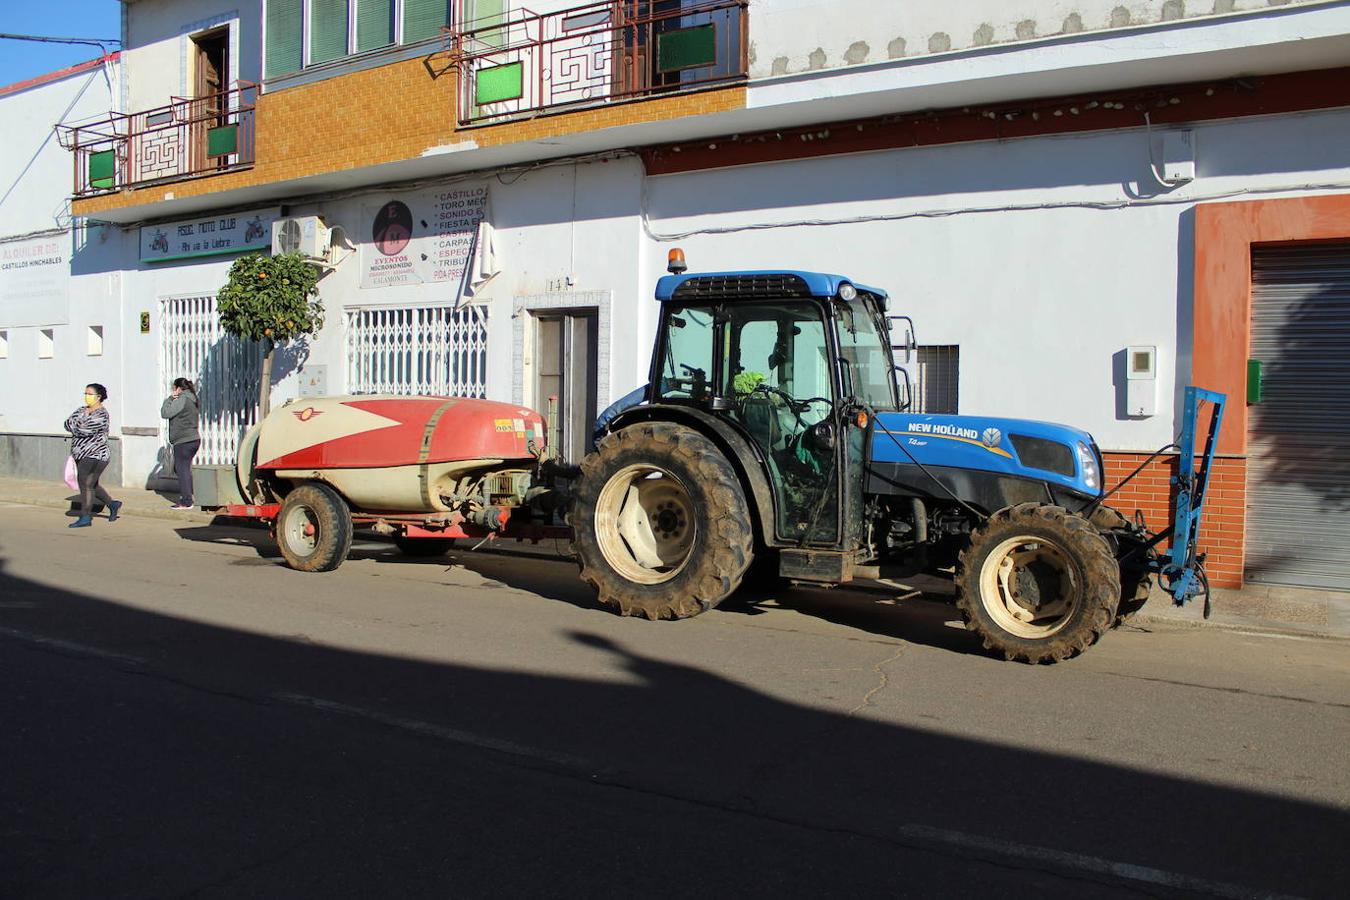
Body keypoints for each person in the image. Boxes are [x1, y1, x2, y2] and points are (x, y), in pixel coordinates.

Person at [64, 383, 121, 528]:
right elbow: (67, 423)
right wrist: (77, 426)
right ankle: (112, 504)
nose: (86, 397)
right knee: (91, 484)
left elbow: (84, 429)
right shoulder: (81, 410)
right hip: (79, 454)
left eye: (89, 394)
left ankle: (85, 516)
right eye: (85, 393)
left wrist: (76, 426)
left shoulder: (102, 414)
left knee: (85, 482)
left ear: (98, 397)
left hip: (96, 454)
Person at [160, 377, 201, 510]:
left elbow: (166, 413)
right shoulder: (192, 398)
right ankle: (190, 495)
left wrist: (170, 399)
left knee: (182, 470)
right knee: (183, 469)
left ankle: (187, 501)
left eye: (174, 388)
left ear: (178, 388)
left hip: (184, 440)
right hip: (193, 439)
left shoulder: (183, 399)